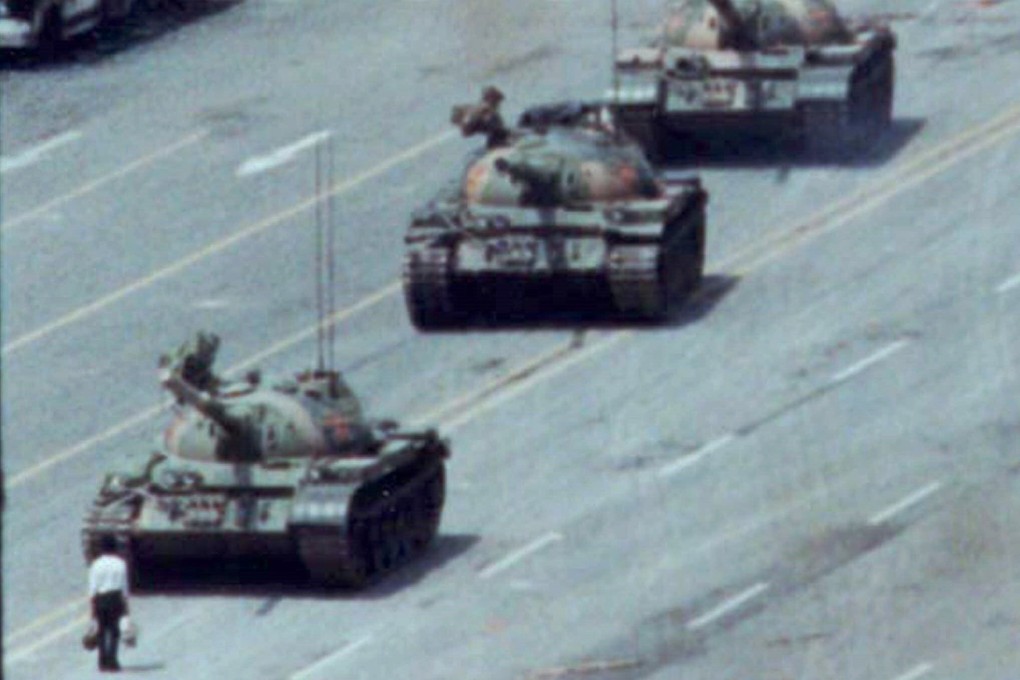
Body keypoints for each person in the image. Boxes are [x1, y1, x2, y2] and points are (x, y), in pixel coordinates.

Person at [88, 535, 130, 672]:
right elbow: (124, 586)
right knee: (114, 630)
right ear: (115, 547)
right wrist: (126, 606)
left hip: (100, 599)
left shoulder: (96, 564)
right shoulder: (120, 564)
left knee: (101, 630)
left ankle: (102, 661)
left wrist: (92, 609)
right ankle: (112, 661)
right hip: (115, 598)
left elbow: (92, 588)